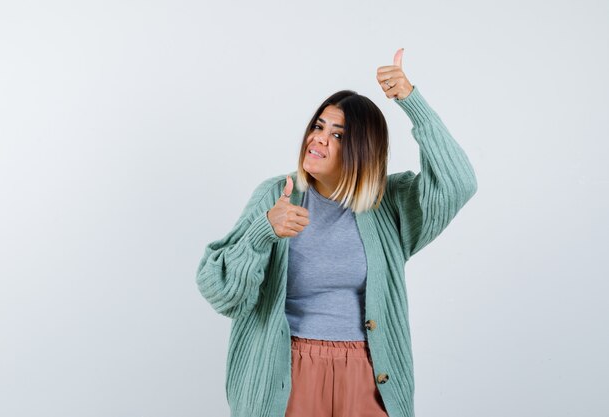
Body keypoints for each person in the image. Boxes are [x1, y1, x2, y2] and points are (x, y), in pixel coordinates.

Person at [195, 48, 478, 417]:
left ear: (362, 149)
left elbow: (459, 183)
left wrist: (412, 101)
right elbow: (222, 293)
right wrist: (263, 231)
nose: (319, 139)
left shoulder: (387, 204)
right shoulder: (276, 195)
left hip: (369, 373)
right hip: (287, 371)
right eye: (318, 126)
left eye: (338, 135)